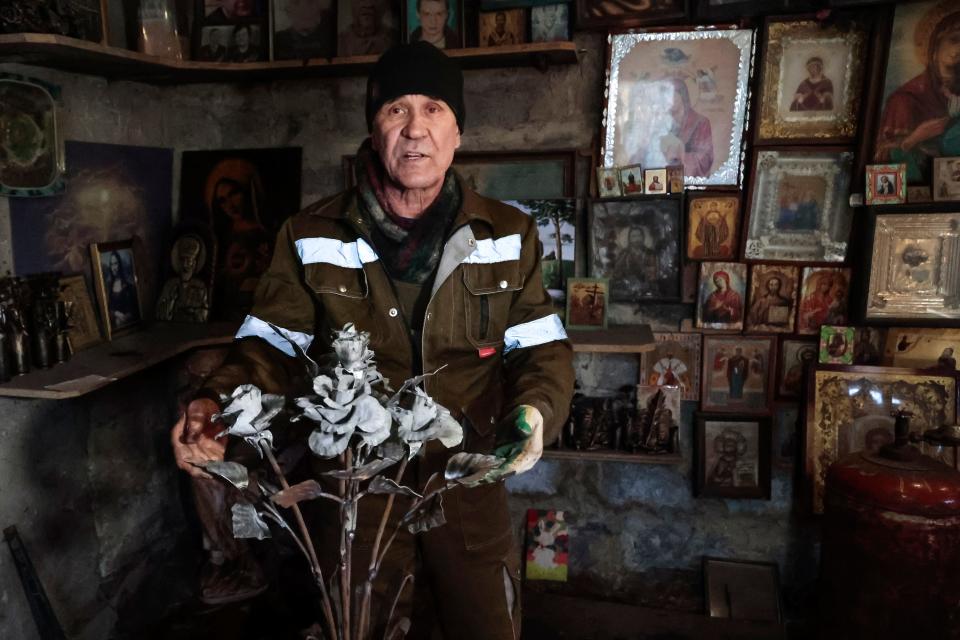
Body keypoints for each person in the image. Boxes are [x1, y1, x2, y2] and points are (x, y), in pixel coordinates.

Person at [170, 42, 574, 639]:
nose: (416, 130)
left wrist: (536, 412)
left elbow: (540, 348)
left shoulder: (509, 233)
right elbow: (269, 347)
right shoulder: (310, 234)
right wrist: (213, 405)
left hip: (464, 477)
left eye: (434, 109)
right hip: (354, 486)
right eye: (396, 110)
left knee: (484, 624)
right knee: (360, 625)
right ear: (374, 125)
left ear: (458, 130)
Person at [874, 5, 960, 183]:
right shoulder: (904, 100)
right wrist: (915, 138)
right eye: (955, 39)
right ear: (933, 50)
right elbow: (881, 161)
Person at [655, 78, 713, 177]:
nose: (668, 100)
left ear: (683, 96)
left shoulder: (701, 122)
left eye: (672, 95)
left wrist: (679, 155)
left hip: (689, 184)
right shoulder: (661, 123)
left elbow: (705, 159)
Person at [156, 235, 211, 323]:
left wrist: (195, 311)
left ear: (194, 264)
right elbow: (161, 315)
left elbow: (204, 316)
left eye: (188, 260)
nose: (185, 265)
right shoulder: (170, 285)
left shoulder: (200, 287)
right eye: (182, 260)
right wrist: (171, 301)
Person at [103, 251, 140, 330]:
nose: (114, 268)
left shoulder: (128, 286)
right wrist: (116, 314)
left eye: (116, 263)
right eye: (112, 264)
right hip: (114, 327)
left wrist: (125, 317)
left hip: (128, 325)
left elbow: (133, 309)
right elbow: (107, 309)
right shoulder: (108, 287)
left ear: (119, 264)